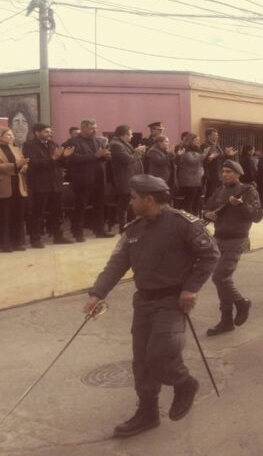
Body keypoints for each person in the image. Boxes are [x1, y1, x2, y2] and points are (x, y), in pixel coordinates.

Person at [83, 174, 219, 438]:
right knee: (142, 361)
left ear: (148, 199)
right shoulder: (133, 229)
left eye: (134, 198)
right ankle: (148, 412)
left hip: (172, 300)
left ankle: (184, 383)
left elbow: (210, 254)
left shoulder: (184, 224)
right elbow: (117, 264)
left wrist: (191, 288)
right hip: (143, 301)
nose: (130, 202)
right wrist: (97, 293)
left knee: (161, 353)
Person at [202, 160, 263, 336]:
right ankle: (226, 320)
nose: (225, 174)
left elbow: (257, 216)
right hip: (219, 238)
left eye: (229, 171)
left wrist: (241, 205)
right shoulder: (220, 191)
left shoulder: (248, 191)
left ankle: (242, 302)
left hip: (237, 239)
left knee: (220, 277)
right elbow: (206, 207)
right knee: (223, 281)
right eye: (224, 171)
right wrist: (208, 214)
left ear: (238, 174)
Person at [22, 122, 75, 247]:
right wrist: (53, 158)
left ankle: (58, 236)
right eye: (46, 131)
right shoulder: (29, 145)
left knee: (57, 212)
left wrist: (65, 157)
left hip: (55, 183)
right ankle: (35, 239)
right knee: (37, 213)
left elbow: (60, 164)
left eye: (51, 131)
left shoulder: (53, 144)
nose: (50, 133)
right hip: (40, 184)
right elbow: (33, 164)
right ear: (37, 132)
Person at [65, 119, 114, 241]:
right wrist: (95, 156)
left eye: (96, 127)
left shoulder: (98, 141)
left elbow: (102, 157)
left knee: (99, 206)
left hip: (99, 179)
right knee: (80, 207)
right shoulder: (73, 141)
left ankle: (99, 231)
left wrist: (106, 156)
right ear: (83, 128)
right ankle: (78, 233)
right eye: (92, 128)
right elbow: (73, 158)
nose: (95, 130)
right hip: (83, 180)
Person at [0, 127, 29, 252]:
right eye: (9, 135)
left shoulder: (15, 148)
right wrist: (14, 166)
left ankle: (17, 243)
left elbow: (23, 164)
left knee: (17, 215)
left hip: (17, 185)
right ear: (0, 136)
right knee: (2, 216)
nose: (12, 137)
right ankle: (4, 244)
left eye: (12, 135)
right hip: (0, 186)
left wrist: (23, 166)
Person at [109, 125, 146, 233]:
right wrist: (138, 152)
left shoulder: (123, 143)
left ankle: (131, 225)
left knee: (129, 203)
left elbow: (130, 155)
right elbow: (127, 159)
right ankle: (123, 228)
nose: (132, 136)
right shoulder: (116, 144)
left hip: (129, 177)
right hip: (123, 178)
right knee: (124, 204)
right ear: (124, 135)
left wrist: (136, 151)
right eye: (130, 134)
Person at [202, 128, 236, 201]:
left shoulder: (217, 146)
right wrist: (224, 154)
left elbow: (221, 158)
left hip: (219, 173)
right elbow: (206, 160)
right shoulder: (205, 146)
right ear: (208, 136)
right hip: (211, 174)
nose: (217, 137)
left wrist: (228, 155)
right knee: (212, 194)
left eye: (217, 135)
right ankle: (208, 209)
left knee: (219, 194)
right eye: (214, 135)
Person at [174, 133, 205, 216]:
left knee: (196, 199)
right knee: (189, 200)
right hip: (188, 179)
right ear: (190, 140)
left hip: (197, 178)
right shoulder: (183, 148)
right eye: (196, 140)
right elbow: (192, 161)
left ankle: (195, 216)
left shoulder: (198, 149)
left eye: (198, 140)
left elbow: (200, 162)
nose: (198, 142)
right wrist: (204, 155)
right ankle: (188, 217)